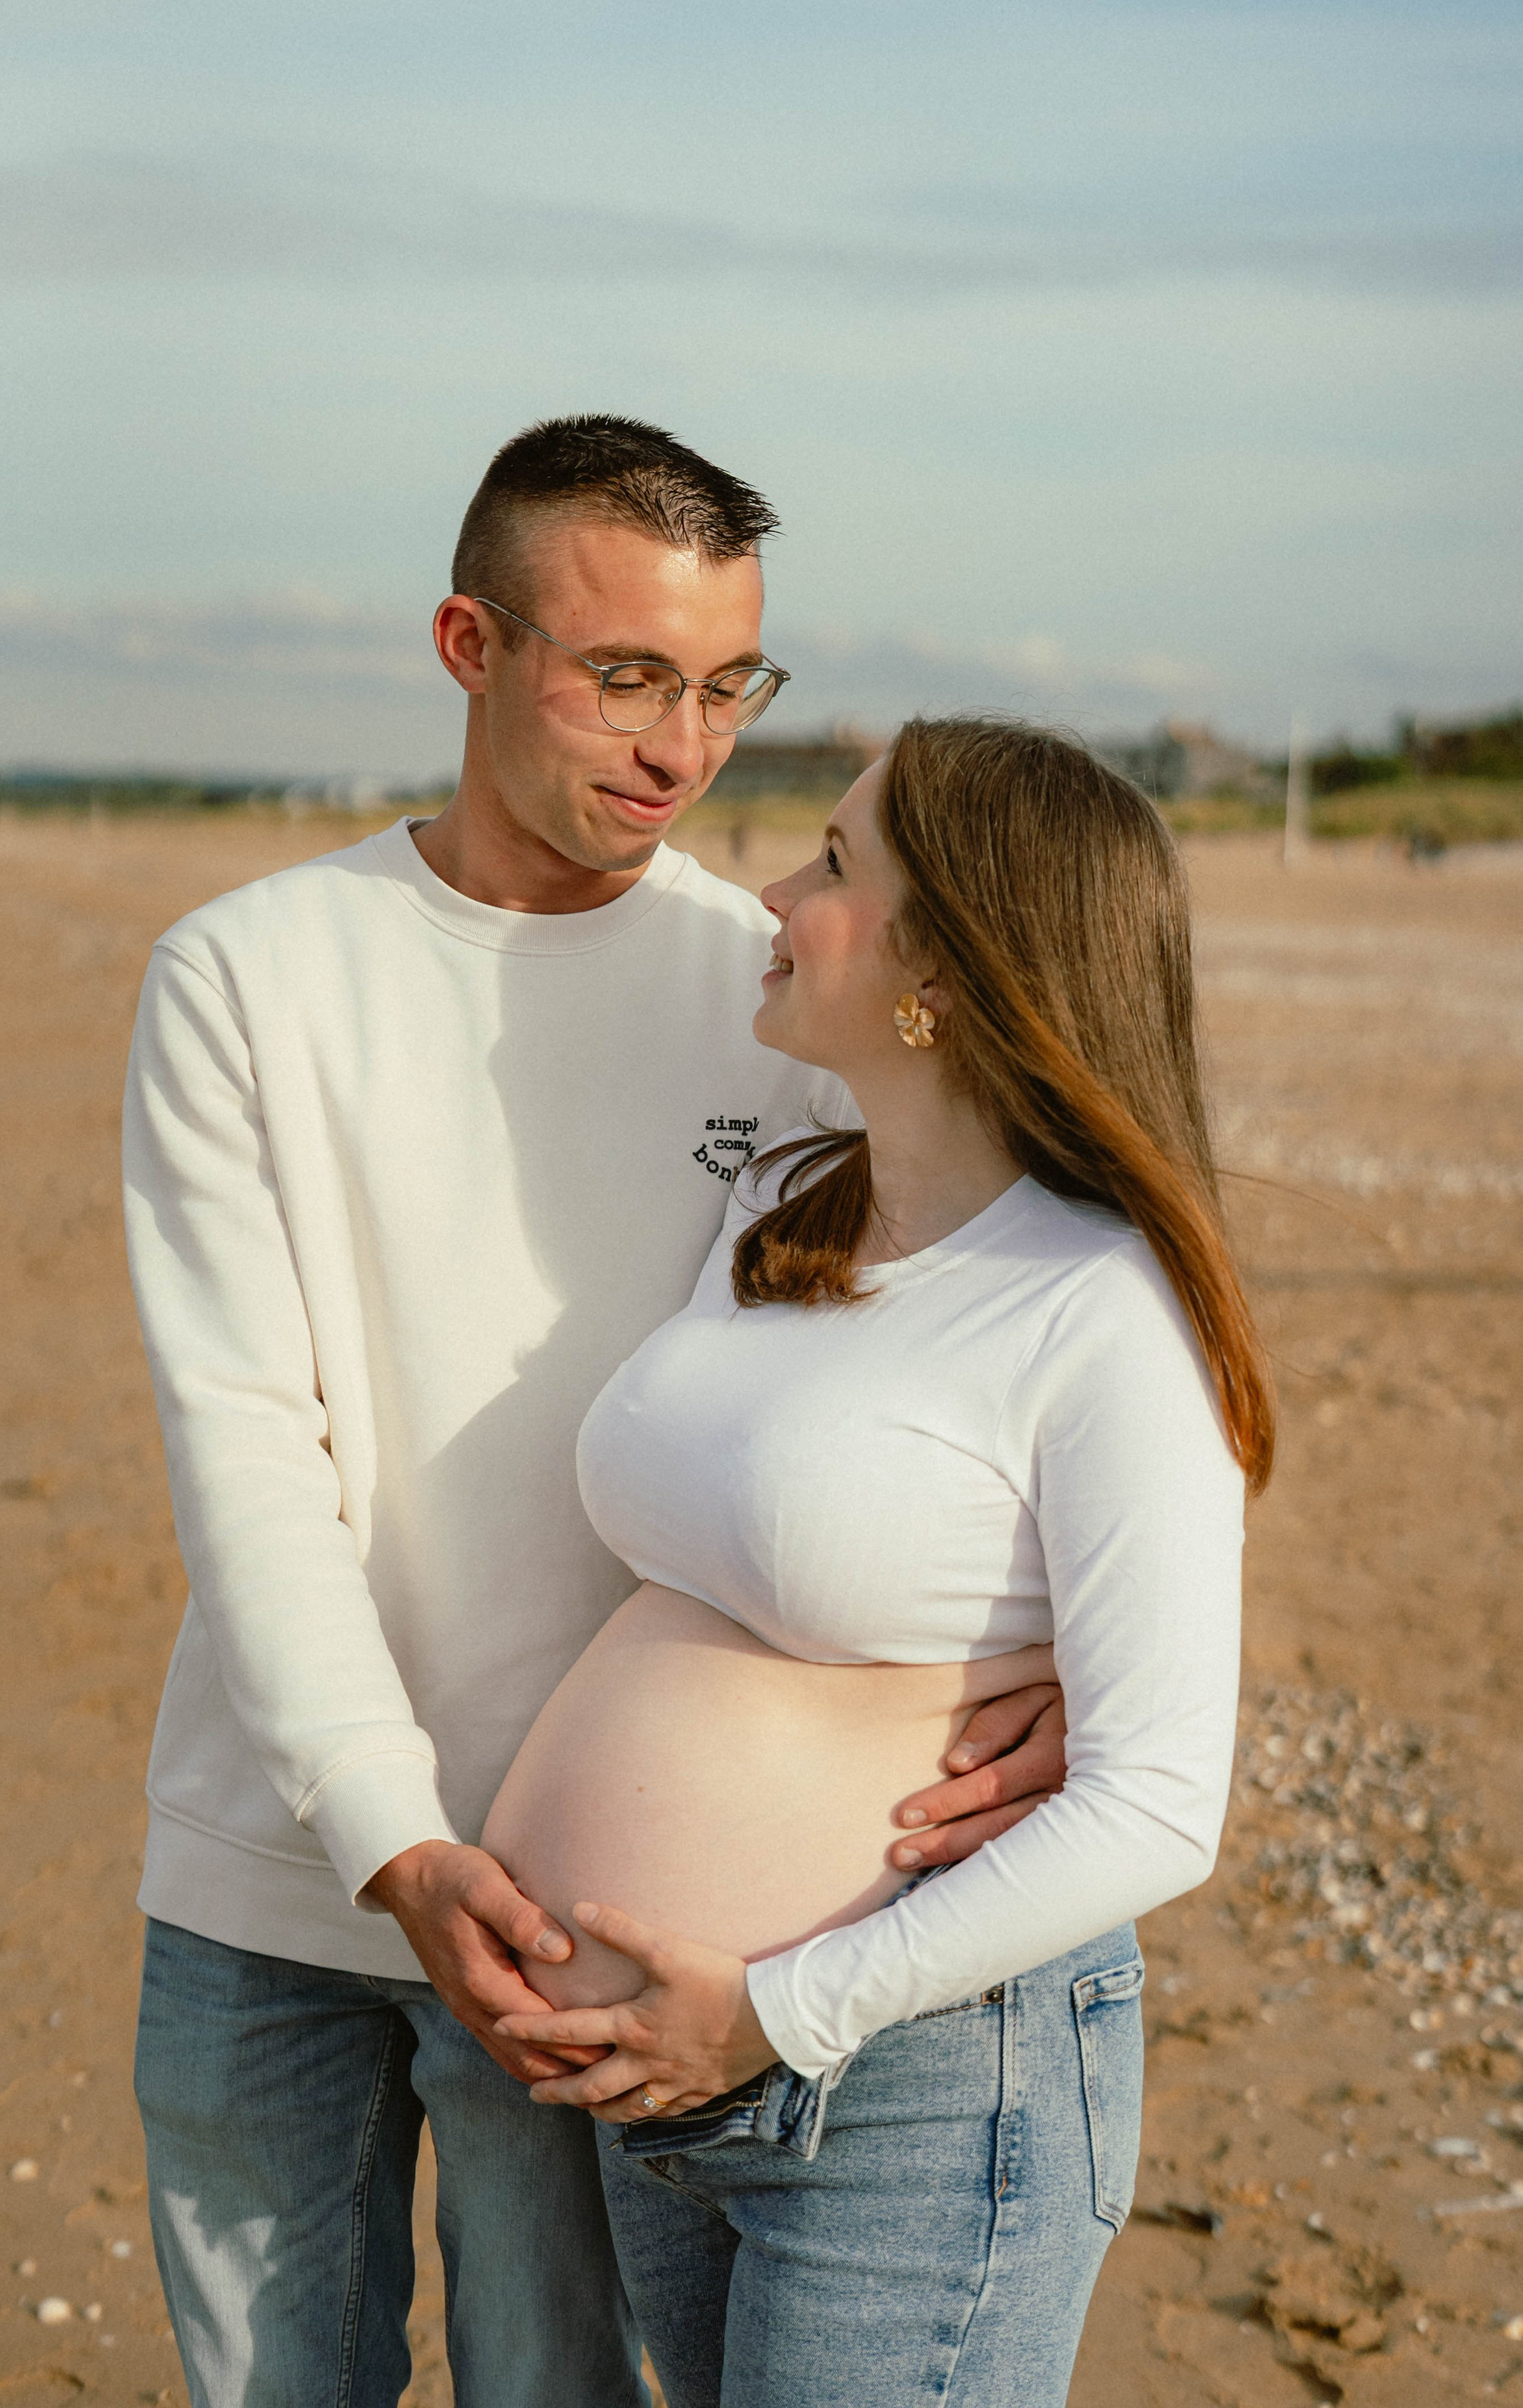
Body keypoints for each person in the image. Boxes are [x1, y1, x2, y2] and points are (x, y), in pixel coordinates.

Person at [122, 418, 1068, 2408]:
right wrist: (389, 1836)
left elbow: (987, 1336)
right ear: (471, 643)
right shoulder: (246, 977)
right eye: (624, 674)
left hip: (596, 1916)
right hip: (277, 1869)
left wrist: (1049, 1638)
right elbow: (245, 1450)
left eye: (729, 687)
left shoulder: (775, 992)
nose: (685, 748)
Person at [485, 716, 1275, 2408]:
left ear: (952, 966)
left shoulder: (1105, 1309)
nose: (775, 887)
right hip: (677, 2090)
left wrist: (782, 2008)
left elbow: (1158, 1802)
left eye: (836, 864)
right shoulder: (787, 1189)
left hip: (908, 2086)